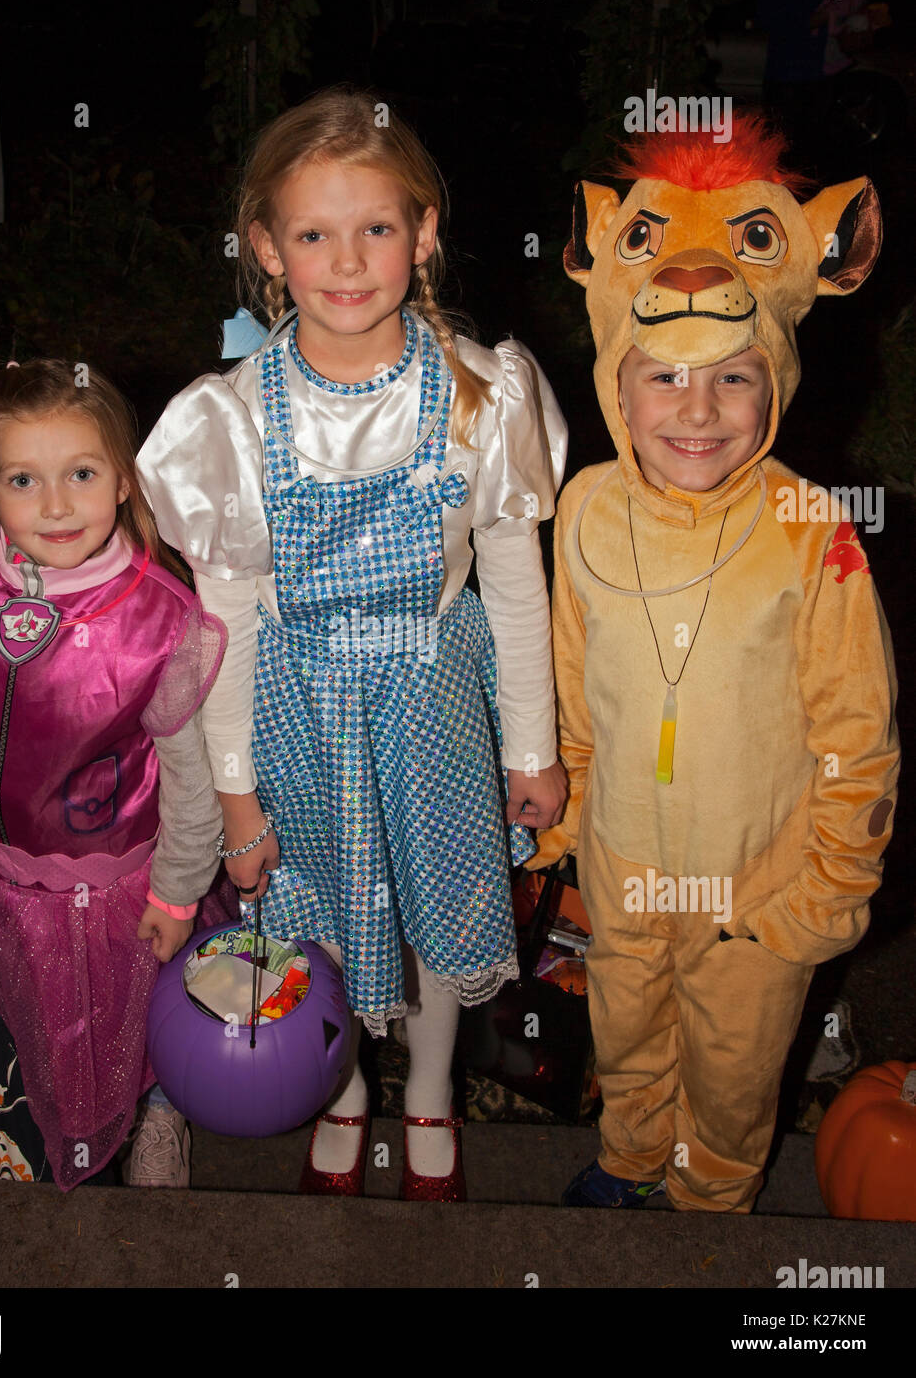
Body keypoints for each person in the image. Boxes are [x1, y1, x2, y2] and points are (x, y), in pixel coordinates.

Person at [137, 86, 568, 1201]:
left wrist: (531, 743)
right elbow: (223, 622)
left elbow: (515, 580)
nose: (347, 259)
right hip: (297, 708)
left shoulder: (483, 393)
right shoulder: (230, 420)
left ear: (423, 233)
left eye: (376, 227)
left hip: (433, 700)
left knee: (430, 919)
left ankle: (427, 1090)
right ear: (267, 249)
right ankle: (340, 1090)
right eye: (313, 233)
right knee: (320, 914)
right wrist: (236, 797)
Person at [532, 116, 900, 1211]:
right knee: (630, 1035)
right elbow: (569, 684)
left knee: (734, 1077)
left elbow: (856, 730)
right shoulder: (585, 507)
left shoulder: (809, 527)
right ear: (616, 381)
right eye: (664, 380)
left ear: (773, 380)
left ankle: (712, 1201)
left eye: (734, 381)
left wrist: (820, 896)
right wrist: (566, 825)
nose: (696, 413)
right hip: (624, 871)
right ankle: (634, 1157)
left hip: (757, 894)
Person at [0, 358, 227, 1190]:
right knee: (46, 1022)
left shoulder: (156, 619)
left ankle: (160, 1108)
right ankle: (58, 1126)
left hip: (124, 883)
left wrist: (179, 891)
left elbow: (192, 777)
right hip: (5, 879)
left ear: (123, 479)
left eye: (81, 473)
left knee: (134, 1018)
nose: (53, 504)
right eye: (22, 479)